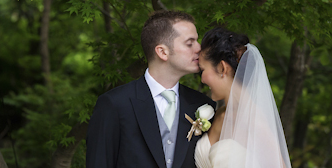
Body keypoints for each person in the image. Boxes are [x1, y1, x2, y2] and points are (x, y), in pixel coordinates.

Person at [86, 10, 216, 168]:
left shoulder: (203, 105)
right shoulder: (114, 104)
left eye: (197, 41)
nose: (199, 49)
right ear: (162, 52)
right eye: (190, 43)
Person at [195, 27, 292, 168]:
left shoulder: (256, 122)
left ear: (222, 68)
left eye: (203, 70)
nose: (202, 79)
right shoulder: (219, 115)